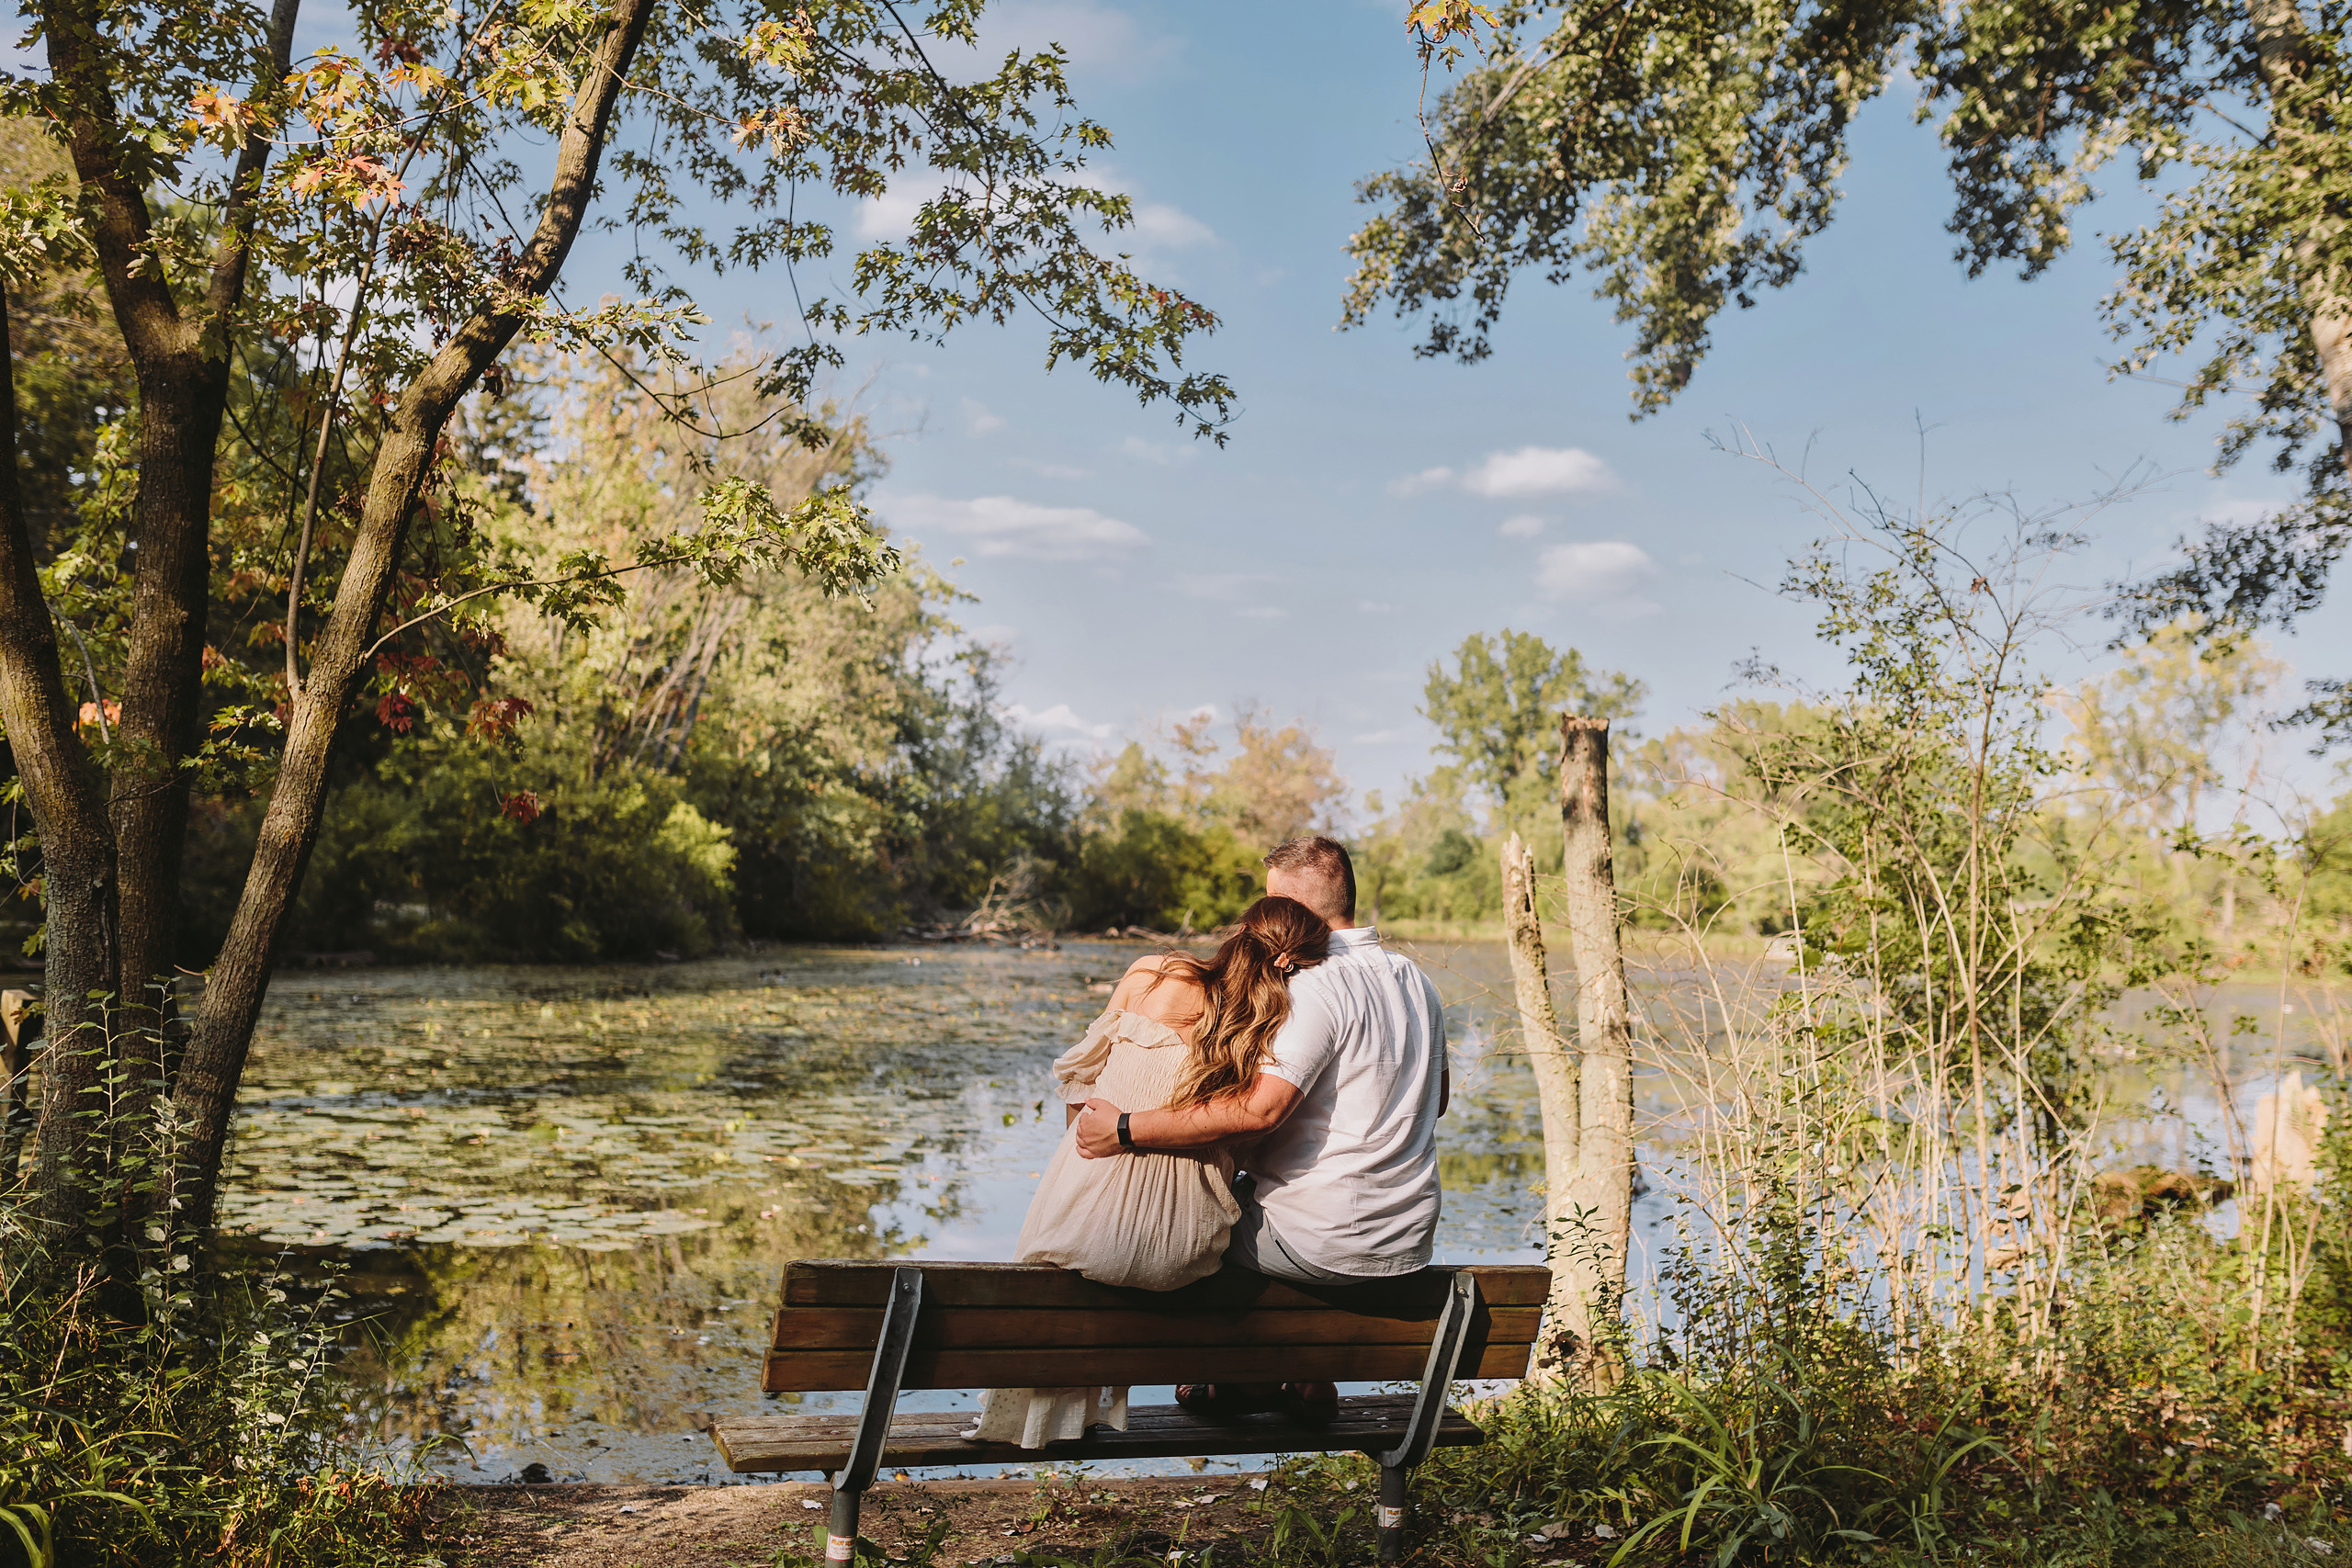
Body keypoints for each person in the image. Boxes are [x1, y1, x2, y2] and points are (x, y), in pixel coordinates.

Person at [1073, 835, 1449, 1423]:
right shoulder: (1414, 981)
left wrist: (1124, 1128)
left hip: (1326, 1242)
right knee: (1250, 1199)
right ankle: (1307, 1374)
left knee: (1186, 1234)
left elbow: (1258, 1111)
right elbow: (1439, 1101)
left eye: (1272, 905)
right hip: (1407, 1238)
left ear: (1296, 908)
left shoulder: (1312, 987)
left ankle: (1231, 1386)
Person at [965, 894, 1333, 1448]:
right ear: (1297, 967)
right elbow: (1246, 1143)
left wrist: (1091, 1154)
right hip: (1183, 1253)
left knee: (1070, 1198)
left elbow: (1081, 1088)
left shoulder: (1152, 975)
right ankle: (1264, 1378)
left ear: (1238, 933)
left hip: (1082, 1235)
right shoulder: (1269, 1034)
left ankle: (1039, 1421)